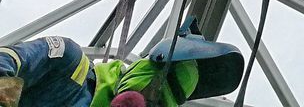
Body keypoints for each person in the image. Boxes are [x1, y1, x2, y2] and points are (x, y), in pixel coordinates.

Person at [0, 22, 243, 107]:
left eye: (160, 105)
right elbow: (6, 60)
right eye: (154, 91)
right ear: (143, 71)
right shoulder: (69, 64)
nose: (148, 102)